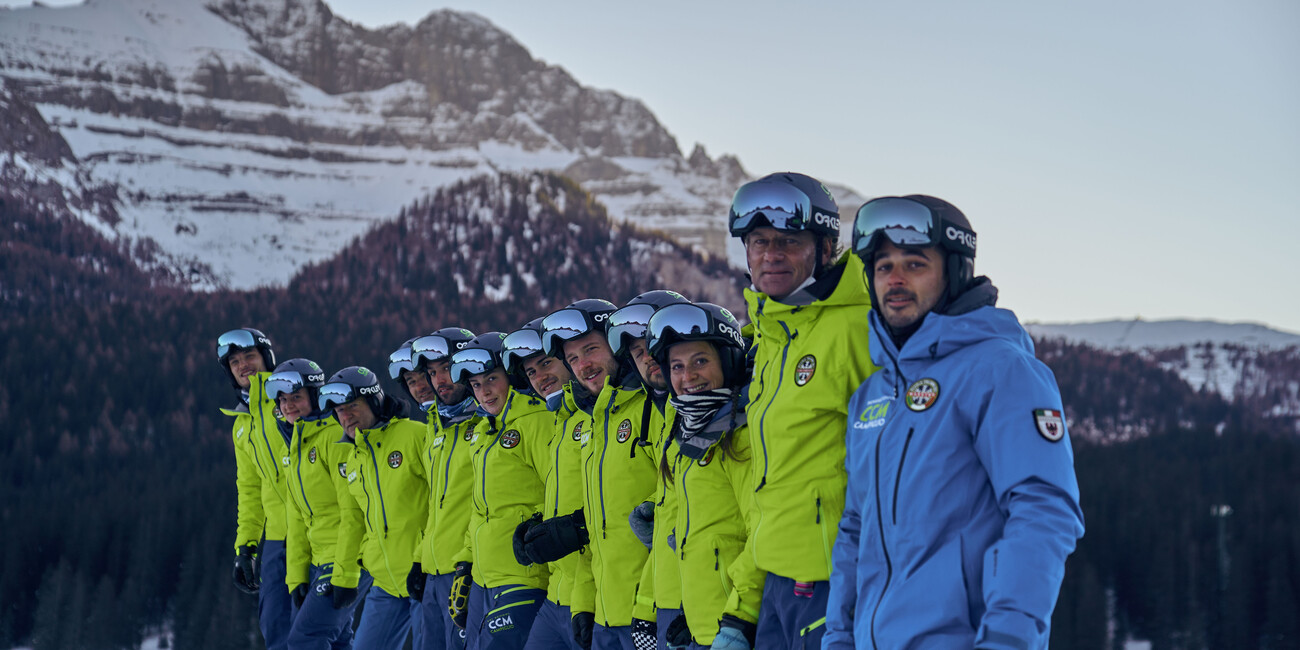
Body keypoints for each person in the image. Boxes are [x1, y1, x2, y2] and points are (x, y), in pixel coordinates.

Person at [823, 195, 1085, 649]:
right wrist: (839, 637)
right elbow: (855, 530)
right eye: (883, 267)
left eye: (915, 264)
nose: (895, 280)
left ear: (955, 272)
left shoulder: (1001, 370)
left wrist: (1008, 637)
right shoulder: (873, 395)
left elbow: (1043, 510)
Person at [724, 173, 880, 649]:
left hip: (833, 581)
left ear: (825, 248)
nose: (770, 254)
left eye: (788, 242)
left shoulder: (859, 327)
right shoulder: (774, 335)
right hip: (775, 577)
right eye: (759, 242)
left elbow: (896, 461)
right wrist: (743, 607)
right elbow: (773, 483)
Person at [526, 298, 659, 650]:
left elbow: (677, 506)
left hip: (650, 610)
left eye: (591, 350)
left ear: (616, 346)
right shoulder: (594, 422)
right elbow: (595, 526)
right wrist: (584, 604)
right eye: (572, 359)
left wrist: (650, 607)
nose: (583, 365)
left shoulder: (651, 407)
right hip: (605, 614)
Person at [645, 302, 763, 650]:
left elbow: (762, 532)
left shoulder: (740, 436)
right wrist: (689, 610)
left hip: (738, 626)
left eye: (700, 361)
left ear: (728, 362)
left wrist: (739, 620)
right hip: (703, 625)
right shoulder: (689, 436)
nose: (688, 376)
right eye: (677, 367)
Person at [449, 333, 552, 649]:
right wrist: (466, 563)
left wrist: (537, 530)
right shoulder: (483, 432)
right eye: (476, 385)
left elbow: (559, 491)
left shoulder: (537, 420)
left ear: (512, 377)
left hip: (523, 575)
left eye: (492, 379)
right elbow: (479, 508)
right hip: (483, 579)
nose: (484, 392)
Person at [606, 290, 693, 650]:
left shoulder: (706, 414)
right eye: (637, 352)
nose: (647, 358)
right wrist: (646, 606)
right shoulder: (664, 417)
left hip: (703, 599)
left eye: (652, 345)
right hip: (668, 598)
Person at [320, 366, 429, 649]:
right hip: (385, 583)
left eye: (353, 406)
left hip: (426, 575)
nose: (346, 416)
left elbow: (445, 501)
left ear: (374, 401)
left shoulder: (415, 436)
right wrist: (344, 577)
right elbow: (353, 520)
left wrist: (425, 559)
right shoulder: (354, 458)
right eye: (339, 411)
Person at [268, 358, 371, 649]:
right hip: (317, 561)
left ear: (315, 396)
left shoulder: (335, 437)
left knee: (306, 638)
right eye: (283, 400)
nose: (288, 406)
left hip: (346, 558)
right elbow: (297, 518)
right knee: (336, 641)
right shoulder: (296, 446)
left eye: (296, 398)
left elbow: (354, 511)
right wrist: (296, 577)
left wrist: (345, 572)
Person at [502, 317, 585, 650]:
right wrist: (538, 522)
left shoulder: (592, 417)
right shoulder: (560, 422)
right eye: (531, 372)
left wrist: (577, 527)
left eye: (546, 363)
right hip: (558, 590)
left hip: (593, 592)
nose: (540, 377)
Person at [217, 327, 293, 650]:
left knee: (317, 629)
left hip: (317, 532)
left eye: (249, 356)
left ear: (267, 358)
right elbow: (249, 491)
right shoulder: (242, 424)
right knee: (275, 627)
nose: (243, 365)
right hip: (276, 538)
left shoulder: (291, 400)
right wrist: (245, 548)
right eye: (235, 362)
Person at [409, 328, 482, 650]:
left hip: (466, 571)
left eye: (447, 368)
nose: (439, 380)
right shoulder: (436, 427)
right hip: (434, 571)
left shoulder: (485, 422)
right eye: (432, 372)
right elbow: (435, 504)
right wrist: (419, 559)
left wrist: (469, 563)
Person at [389, 337, 439, 419]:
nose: (419, 387)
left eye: (424, 377)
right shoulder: (433, 423)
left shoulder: (460, 417)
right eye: (412, 382)